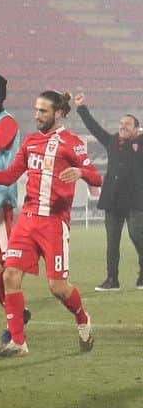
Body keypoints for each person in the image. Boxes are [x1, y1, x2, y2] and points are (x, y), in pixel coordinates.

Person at [0, 91, 100, 357]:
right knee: (10, 275)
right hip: (27, 220)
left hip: (54, 223)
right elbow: (10, 176)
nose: (36, 116)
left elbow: (97, 178)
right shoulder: (31, 141)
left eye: (43, 111)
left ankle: (82, 318)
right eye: (36, 110)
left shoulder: (72, 143)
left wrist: (81, 173)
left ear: (58, 113)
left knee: (58, 287)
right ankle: (18, 342)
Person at [75, 94, 143, 291]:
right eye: (121, 123)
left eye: (127, 124)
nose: (122, 126)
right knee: (112, 242)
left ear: (136, 129)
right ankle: (112, 280)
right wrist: (81, 108)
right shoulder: (112, 141)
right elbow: (94, 128)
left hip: (135, 200)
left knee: (137, 236)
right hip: (112, 200)